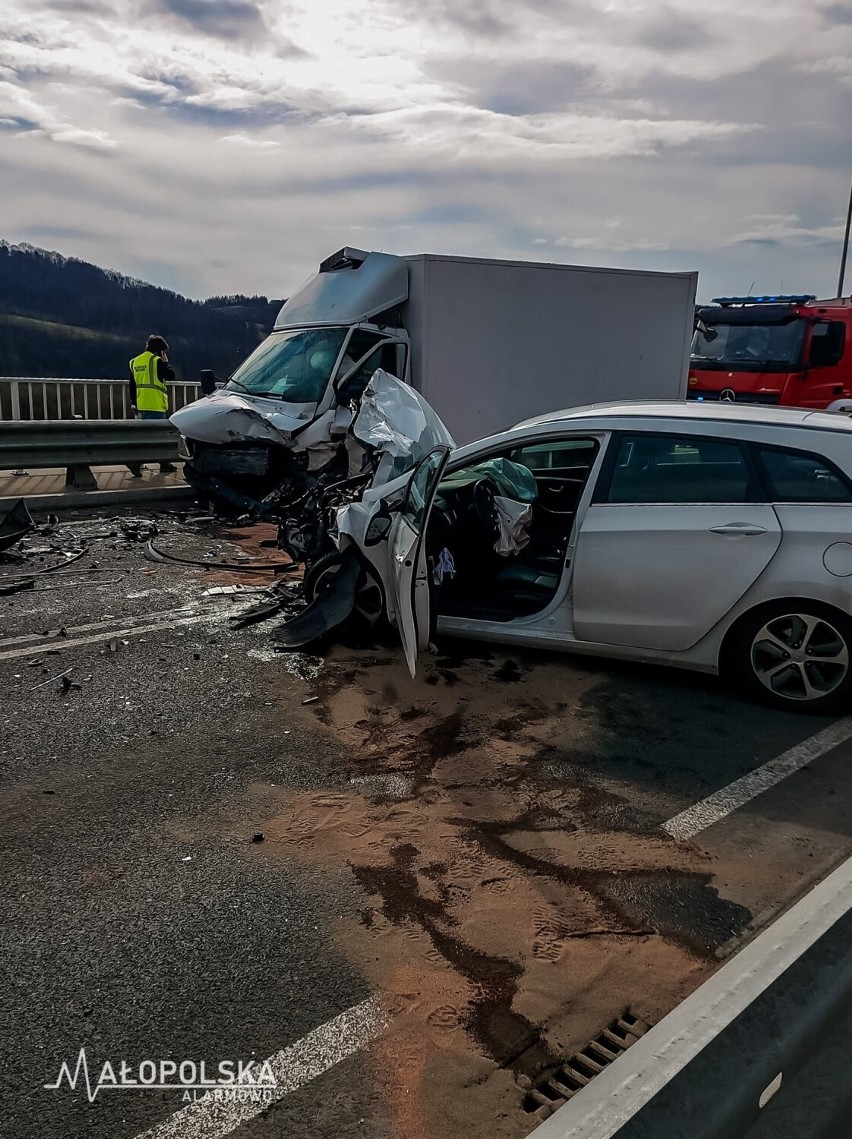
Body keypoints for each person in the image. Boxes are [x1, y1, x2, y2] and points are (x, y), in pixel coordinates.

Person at [127, 335, 177, 475]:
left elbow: (132, 386)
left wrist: (134, 403)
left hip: (141, 404)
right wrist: (165, 362)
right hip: (155, 404)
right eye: (164, 352)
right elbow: (171, 375)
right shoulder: (156, 361)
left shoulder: (135, 362)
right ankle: (136, 463)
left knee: (146, 436)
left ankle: (163, 463)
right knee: (158, 437)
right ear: (160, 351)